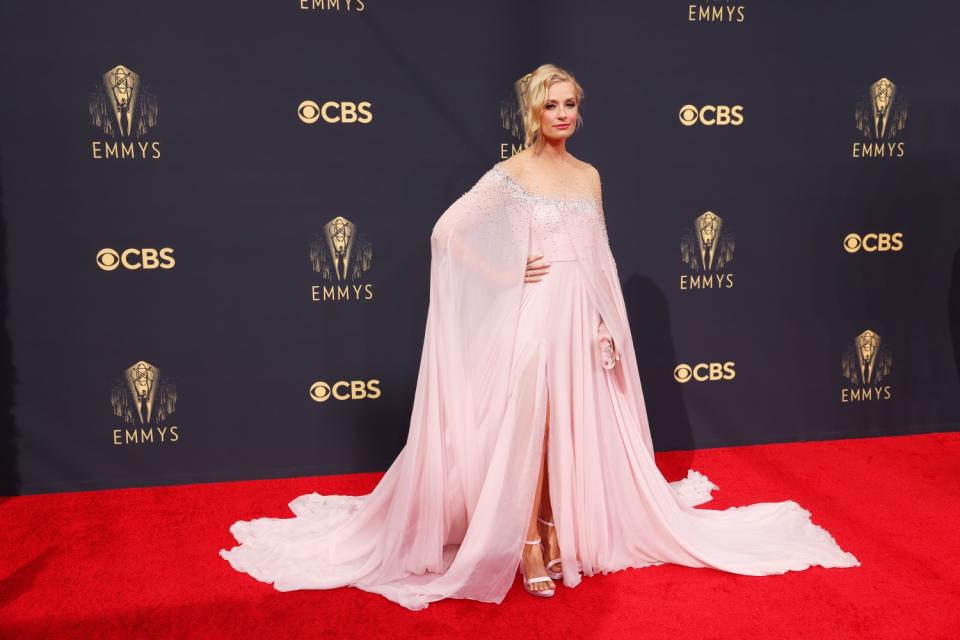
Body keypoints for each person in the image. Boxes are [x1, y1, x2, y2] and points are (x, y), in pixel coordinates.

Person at [220, 63, 860, 610]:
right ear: (531, 111)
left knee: (570, 428)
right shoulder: (512, 173)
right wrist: (505, 270)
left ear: (581, 111)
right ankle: (524, 542)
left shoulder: (588, 176)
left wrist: (610, 321)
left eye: (571, 104)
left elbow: (602, 256)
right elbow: (448, 234)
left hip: (582, 316)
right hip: (536, 314)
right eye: (550, 104)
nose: (562, 113)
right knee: (531, 426)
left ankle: (554, 531)